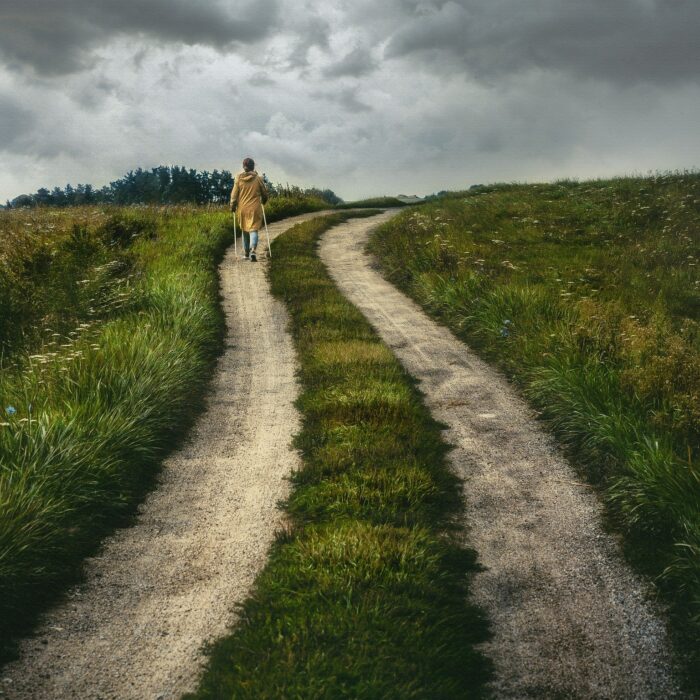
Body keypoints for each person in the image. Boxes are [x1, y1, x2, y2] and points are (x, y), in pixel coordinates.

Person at [229, 157, 269, 261]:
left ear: (243, 166)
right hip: (255, 207)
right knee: (253, 229)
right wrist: (263, 201)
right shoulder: (258, 178)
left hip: (243, 208)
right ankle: (253, 251)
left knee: (245, 230)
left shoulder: (238, 178)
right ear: (253, 166)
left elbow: (234, 195)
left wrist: (232, 206)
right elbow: (264, 193)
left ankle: (246, 253)